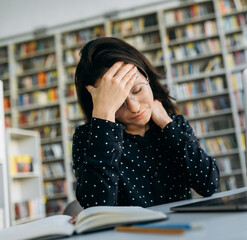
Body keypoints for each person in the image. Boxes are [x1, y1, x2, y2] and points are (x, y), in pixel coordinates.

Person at [72, 37, 220, 208]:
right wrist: (103, 115)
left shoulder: (173, 123)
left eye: (138, 89)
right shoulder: (88, 137)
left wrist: (167, 123)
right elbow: (96, 206)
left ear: (148, 78)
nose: (134, 108)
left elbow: (209, 184)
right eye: (118, 102)